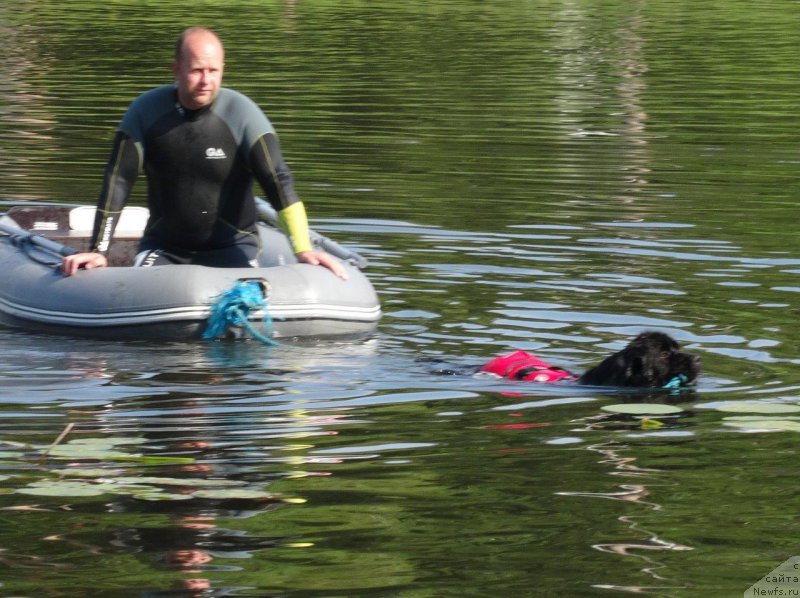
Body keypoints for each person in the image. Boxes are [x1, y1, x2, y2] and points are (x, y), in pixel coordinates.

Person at [62, 26, 346, 279]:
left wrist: (303, 249)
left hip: (233, 248)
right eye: (197, 70)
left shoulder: (243, 115)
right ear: (176, 69)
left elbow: (277, 180)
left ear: (223, 69)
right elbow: (118, 180)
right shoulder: (146, 112)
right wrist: (98, 249)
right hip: (165, 249)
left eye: (213, 71)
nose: (205, 81)